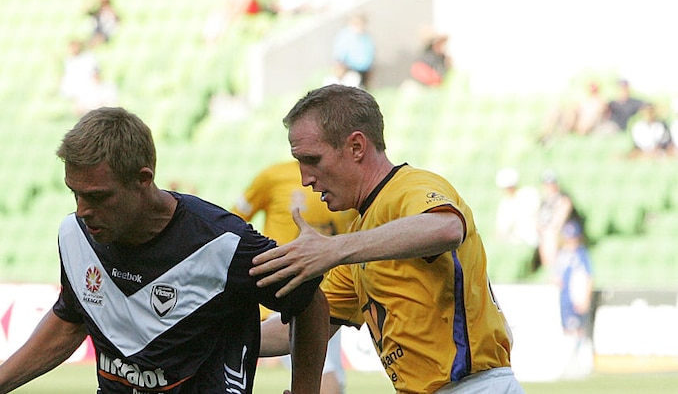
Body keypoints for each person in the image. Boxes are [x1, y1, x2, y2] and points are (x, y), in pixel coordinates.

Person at [0, 107, 329, 394]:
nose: (83, 211)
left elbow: (309, 303)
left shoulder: (223, 244)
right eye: (75, 194)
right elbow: (72, 316)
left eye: (97, 197)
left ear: (143, 180)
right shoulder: (76, 235)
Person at [253, 84, 524, 393]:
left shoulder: (411, 187)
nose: (305, 178)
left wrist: (335, 249)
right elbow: (311, 324)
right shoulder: (360, 236)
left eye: (312, 160)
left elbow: (447, 228)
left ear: (356, 147)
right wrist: (213, 333)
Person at [232, 160, 358, 394]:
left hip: (336, 292)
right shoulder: (272, 176)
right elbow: (234, 222)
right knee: (325, 375)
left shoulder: (345, 188)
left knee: (333, 380)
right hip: (287, 294)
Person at [552, 220, 594, 379]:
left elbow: (588, 278)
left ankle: (581, 365)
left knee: (578, 331)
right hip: (565, 299)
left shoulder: (582, 255)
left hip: (577, 298)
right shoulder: (562, 255)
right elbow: (557, 276)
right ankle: (572, 365)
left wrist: (585, 298)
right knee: (568, 331)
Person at [494, 167, 541, 273]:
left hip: (532, 239)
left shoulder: (529, 194)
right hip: (513, 240)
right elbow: (501, 230)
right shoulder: (504, 204)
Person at [535, 170, 585, 271]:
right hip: (549, 231)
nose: (550, 186)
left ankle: (553, 268)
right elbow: (539, 218)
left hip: (569, 230)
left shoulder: (564, 198)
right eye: (547, 184)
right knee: (544, 235)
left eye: (552, 183)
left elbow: (560, 219)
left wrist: (552, 229)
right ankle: (547, 268)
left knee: (550, 235)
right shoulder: (544, 200)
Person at [330, 14, 375, 89]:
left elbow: (369, 56)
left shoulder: (366, 38)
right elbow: (339, 56)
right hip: (348, 70)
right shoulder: (345, 36)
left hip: (364, 71)